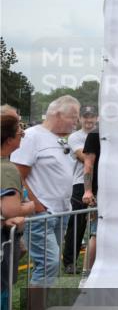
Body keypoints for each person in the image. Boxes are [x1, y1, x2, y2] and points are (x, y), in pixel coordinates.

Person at [11, 96, 79, 285]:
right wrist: (38, 207)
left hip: (59, 213)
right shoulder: (31, 137)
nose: (76, 122)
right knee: (49, 263)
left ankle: (43, 302)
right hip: (42, 215)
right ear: (58, 114)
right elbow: (17, 176)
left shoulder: (59, 139)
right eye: (73, 117)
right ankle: (36, 305)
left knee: (51, 264)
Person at [2, 114, 36, 310]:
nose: (23, 134)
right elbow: (11, 209)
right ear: (8, 137)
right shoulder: (6, 169)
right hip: (3, 247)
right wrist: (30, 207)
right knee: (3, 300)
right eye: (19, 130)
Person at [64, 105, 97, 272]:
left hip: (100, 182)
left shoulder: (101, 135)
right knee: (77, 223)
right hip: (80, 183)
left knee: (98, 224)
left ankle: (95, 261)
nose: (89, 120)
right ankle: (70, 262)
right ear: (80, 119)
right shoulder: (75, 137)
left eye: (92, 116)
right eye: (85, 116)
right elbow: (84, 158)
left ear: (97, 118)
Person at [81, 124, 102, 275]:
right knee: (96, 233)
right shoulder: (95, 133)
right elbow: (88, 164)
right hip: (102, 192)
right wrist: (88, 191)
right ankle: (85, 275)